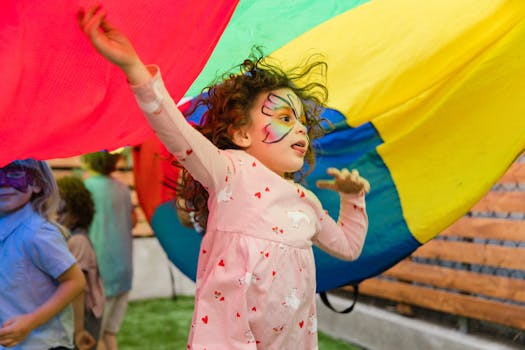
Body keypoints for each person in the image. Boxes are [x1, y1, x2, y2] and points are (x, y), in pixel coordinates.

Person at [79, 5, 370, 349]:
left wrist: (353, 200)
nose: (300, 128)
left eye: (302, 121)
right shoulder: (230, 171)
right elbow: (175, 131)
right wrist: (135, 70)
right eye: (284, 117)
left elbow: (349, 247)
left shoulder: (306, 202)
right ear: (242, 135)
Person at [0, 160, 86, 349]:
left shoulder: (37, 234)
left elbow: (75, 281)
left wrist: (31, 321)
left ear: (38, 183)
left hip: (43, 344)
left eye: (15, 174)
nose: (4, 183)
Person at [79, 151, 133, 350]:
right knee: (110, 333)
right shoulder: (123, 189)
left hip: (101, 274)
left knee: (96, 335)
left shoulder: (86, 188)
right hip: (124, 271)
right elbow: (133, 221)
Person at [57, 176, 106, 350]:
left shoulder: (78, 241)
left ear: (77, 214)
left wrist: (78, 331)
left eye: (62, 211)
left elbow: (78, 290)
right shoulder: (74, 236)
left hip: (85, 316)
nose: (56, 217)